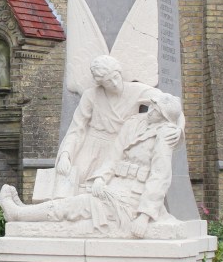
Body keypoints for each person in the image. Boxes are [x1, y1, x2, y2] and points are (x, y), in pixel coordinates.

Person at [1, 92, 184, 238]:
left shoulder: (165, 134)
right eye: (151, 106)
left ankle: (20, 215)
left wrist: (144, 216)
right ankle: (23, 213)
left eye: (157, 111)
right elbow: (114, 156)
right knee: (77, 206)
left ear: (165, 118)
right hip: (115, 186)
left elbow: (160, 176)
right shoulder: (134, 123)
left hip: (133, 198)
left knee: (78, 206)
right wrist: (100, 178)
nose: (150, 112)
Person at [55, 55, 178, 196]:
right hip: (92, 145)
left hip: (119, 146)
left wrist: (177, 128)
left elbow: (170, 104)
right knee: (76, 177)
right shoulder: (91, 95)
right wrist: (65, 155)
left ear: (120, 72)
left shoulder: (136, 90)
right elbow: (77, 128)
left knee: (109, 187)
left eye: (116, 76)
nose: (114, 83)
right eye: (108, 81)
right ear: (100, 83)